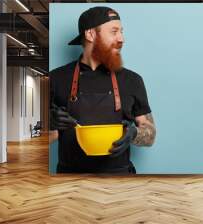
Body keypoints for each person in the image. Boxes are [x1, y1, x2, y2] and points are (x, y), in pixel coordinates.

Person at [49, 6, 156, 174]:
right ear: (90, 34)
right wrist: (50, 126)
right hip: (69, 181)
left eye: (121, 31)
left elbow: (150, 135)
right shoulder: (55, 79)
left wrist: (134, 133)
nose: (121, 39)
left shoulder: (132, 80)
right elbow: (41, 140)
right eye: (114, 32)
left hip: (119, 181)